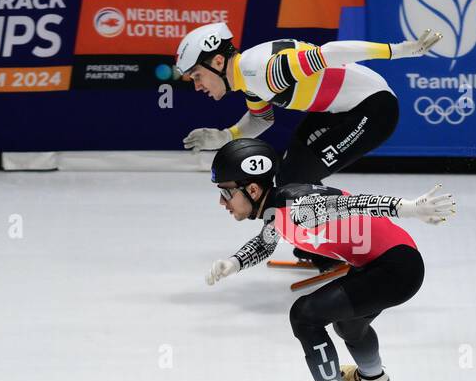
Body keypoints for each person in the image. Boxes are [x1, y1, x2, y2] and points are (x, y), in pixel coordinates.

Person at [204, 137, 456, 381]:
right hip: (385, 264)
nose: (222, 202)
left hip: (395, 267)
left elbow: (351, 203)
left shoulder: (298, 207)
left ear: (253, 190)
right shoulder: (278, 209)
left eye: (226, 193)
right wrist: (234, 263)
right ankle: (372, 376)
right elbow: (266, 241)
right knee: (348, 325)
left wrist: (408, 208)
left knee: (305, 314)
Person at [175, 22, 444, 268]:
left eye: (197, 76)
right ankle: (318, 245)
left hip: (373, 110)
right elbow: (262, 119)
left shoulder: (264, 72)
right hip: (339, 108)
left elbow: (331, 53)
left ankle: (342, 247)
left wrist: (399, 51)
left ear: (218, 61)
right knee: (288, 176)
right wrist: (223, 136)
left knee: (297, 176)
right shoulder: (249, 77)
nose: (197, 86)